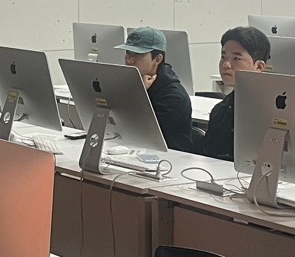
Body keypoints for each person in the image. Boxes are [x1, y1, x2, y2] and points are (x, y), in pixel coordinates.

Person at [111, 28, 196, 153]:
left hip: (169, 159)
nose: (129, 59)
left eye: (137, 54)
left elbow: (134, 130)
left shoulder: (173, 97)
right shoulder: (132, 82)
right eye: (128, 52)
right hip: (136, 152)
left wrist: (138, 93)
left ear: (157, 59)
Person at [197, 26, 270, 161]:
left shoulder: (271, 113)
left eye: (236, 58)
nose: (226, 64)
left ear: (259, 67)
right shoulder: (220, 111)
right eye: (223, 57)